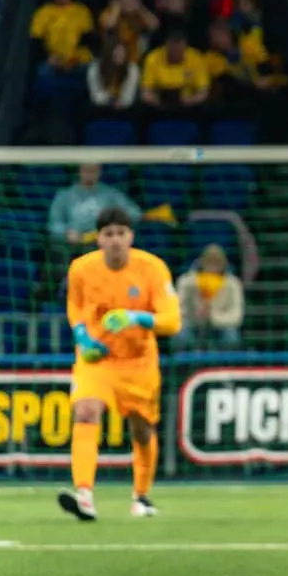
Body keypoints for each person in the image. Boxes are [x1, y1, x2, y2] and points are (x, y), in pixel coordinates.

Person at [58, 207, 181, 522]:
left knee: (142, 428)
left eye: (121, 233)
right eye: (108, 234)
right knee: (85, 411)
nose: (115, 240)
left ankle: (141, 496)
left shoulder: (152, 268)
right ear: (98, 238)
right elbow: (75, 306)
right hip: (98, 360)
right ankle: (84, 496)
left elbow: (172, 321)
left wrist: (137, 317)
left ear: (131, 236)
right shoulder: (81, 269)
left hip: (138, 362)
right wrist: (82, 336)